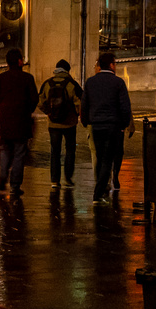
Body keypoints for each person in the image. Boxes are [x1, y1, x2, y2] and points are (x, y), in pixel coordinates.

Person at [80, 52, 133, 205]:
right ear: (111, 65)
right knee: (107, 160)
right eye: (115, 63)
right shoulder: (118, 83)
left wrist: (86, 121)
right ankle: (98, 193)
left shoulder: (90, 82)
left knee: (100, 156)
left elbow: (84, 105)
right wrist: (123, 125)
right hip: (113, 126)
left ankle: (100, 188)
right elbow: (125, 107)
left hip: (96, 125)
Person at [0, 48, 38, 196]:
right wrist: (27, 110)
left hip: (6, 121)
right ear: (19, 61)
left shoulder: (1, 78)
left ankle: (3, 176)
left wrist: (4, 108)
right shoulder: (27, 78)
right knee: (19, 153)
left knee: (5, 150)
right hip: (22, 121)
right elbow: (34, 99)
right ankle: (15, 185)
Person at [38, 59, 83, 190]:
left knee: (55, 152)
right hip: (69, 124)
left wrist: (49, 112)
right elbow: (79, 102)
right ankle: (68, 178)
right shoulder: (72, 84)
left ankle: (54, 181)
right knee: (70, 150)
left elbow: (40, 101)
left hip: (53, 124)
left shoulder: (47, 83)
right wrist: (75, 114)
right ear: (68, 71)